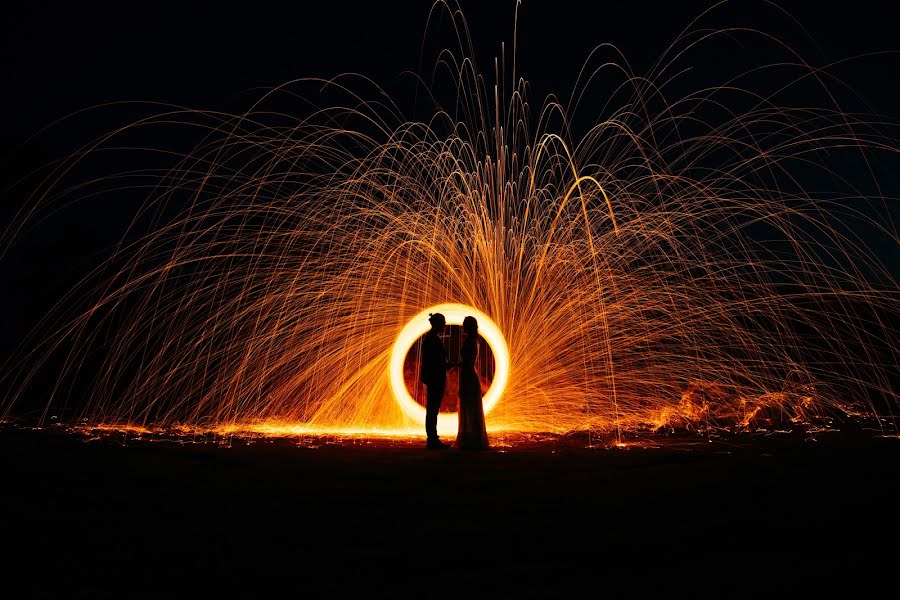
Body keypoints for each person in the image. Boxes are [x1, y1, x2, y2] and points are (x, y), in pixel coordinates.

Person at [456, 315, 489, 450]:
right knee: (470, 407)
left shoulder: (470, 341)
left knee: (468, 407)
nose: (462, 325)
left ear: (468, 326)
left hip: (468, 376)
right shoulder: (473, 340)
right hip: (468, 375)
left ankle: (470, 440)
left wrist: (453, 364)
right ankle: (473, 439)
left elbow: (467, 362)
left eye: (464, 323)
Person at [420, 312, 452, 449]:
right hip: (435, 377)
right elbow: (433, 361)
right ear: (437, 323)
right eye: (443, 322)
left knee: (433, 409)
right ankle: (432, 439)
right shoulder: (432, 339)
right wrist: (447, 365)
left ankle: (432, 438)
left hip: (434, 376)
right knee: (433, 409)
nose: (445, 325)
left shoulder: (431, 338)